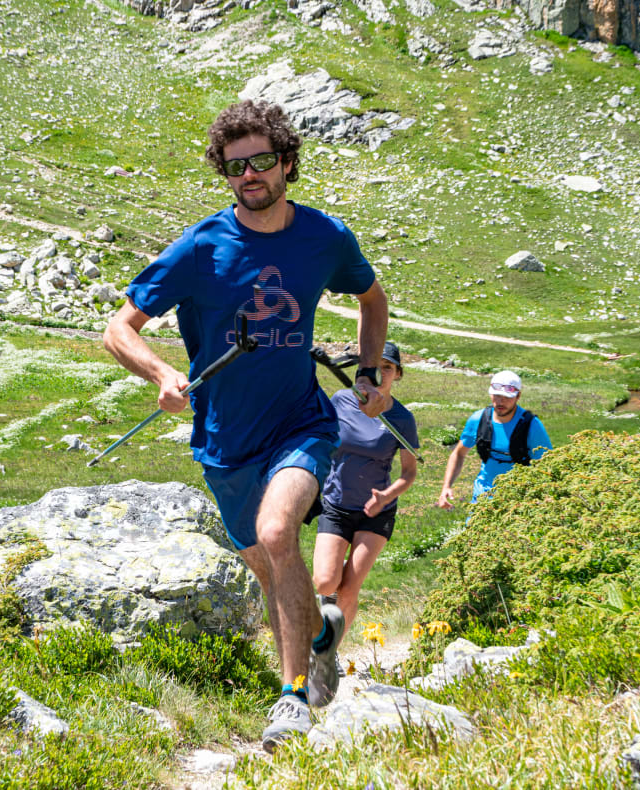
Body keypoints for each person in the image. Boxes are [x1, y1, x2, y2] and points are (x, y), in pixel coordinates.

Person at [101, 100, 389, 752]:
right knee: (267, 565)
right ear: (225, 174)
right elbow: (119, 328)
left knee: (278, 530)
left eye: (261, 161)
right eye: (236, 167)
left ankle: (292, 698)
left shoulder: (325, 237)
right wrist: (161, 376)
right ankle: (319, 636)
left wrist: (368, 373)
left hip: (300, 424)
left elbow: (372, 299)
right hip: (224, 442)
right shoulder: (202, 247)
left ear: (286, 163)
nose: (250, 175)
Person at [312, 342, 419, 657]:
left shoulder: (402, 419)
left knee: (348, 588)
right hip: (336, 503)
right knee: (324, 582)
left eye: (389, 367)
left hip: (376, 512)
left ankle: (327, 655)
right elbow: (321, 438)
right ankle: (326, 605)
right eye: (377, 366)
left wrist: (387, 494)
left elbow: (409, 473)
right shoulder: (341, 401)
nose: (381, 373)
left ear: (397, 375)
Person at [437, 370, 552, 509]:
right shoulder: (478, 419)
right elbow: (458, 453)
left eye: (506, 397)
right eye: (496, 396)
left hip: (519, 501)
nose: (500, 401)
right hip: (483, 497)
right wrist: (446, 487)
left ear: (518, 396)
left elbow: (547, 464)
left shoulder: (531, 425)